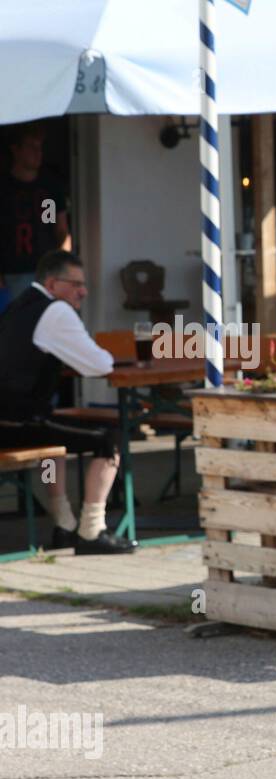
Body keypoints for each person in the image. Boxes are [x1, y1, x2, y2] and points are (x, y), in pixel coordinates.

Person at [0, 250, 135, 554]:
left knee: (56, 441)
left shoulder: (16, 306)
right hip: (19, 422)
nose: (83, 291)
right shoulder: (55, 312)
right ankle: (92, 530)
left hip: (10, 420)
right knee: (109, 438)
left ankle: (64, 524)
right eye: (75, 284)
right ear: (51, 283)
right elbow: (100, 365)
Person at [0, 123, 72, 314]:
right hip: (12, 274)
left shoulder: (49, 186)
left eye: (40, 147)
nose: (37, 152)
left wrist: (63, 269)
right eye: (31, 147)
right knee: (14, 327)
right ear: (16, 150)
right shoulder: (4, 188)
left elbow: (59, 230)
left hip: (46, 272)